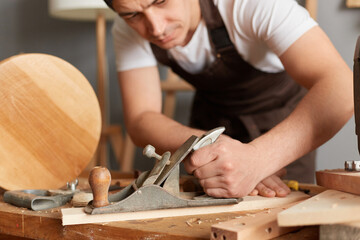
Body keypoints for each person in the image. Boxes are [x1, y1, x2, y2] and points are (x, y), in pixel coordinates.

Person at [103, 0, 353, 198]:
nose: (156, 28)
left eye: (161, 1)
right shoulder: (127, 27)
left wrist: (258, 158)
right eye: (132, 15)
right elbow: (140, 119)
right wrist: (209, 146)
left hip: (282, 128)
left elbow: (342, 88)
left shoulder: (254, 5)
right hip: (208, 125)